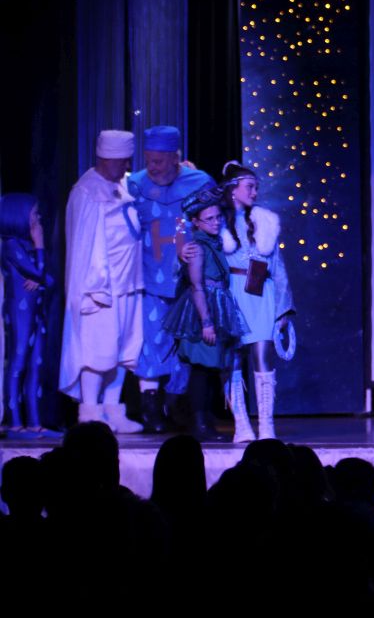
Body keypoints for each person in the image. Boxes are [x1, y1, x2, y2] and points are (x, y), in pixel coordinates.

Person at [126, 125, 215, 432]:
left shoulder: (199, 182)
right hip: (149, 276)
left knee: (188, 343)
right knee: (152, 340)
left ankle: (179, 405)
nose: (152, 167)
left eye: (159, 161)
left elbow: (213, 224)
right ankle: (150, 408)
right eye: (149, 159)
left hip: (189, 279)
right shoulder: (135, 184)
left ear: (175, 158)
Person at [59, 130, 144, 432]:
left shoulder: (120, 186)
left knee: (122, 350)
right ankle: (90, 411)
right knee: (97, 349)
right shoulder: (87, 191)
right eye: (122, 162)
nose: (126, 167)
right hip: (99, 288)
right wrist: (94, 286)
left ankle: (113, 409)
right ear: (106, 159)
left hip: (128, 282)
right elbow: (86, 245)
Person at [162, 186, 249, 440]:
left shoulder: (215, 243)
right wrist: (206, 322)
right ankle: (198, 423)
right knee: (201, 368)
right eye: (209, 219)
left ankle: (205, 420)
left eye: (217, 217)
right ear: (196, 222)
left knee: (211, 368)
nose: (215, 222)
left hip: (217, 305)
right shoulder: (198, 247)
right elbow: (197, 285)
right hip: (203, 310)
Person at [219, 161, 295, 442]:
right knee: (233, 358)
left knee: (263, 354)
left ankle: (266, 425)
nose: (254, 192)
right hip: (232, 293)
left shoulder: (264, 221)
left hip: (261, 293)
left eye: (256, 187)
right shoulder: (217, 222)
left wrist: (283, 308)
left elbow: (278, 267)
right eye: (249, 186)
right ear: (232, 189)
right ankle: (241, 424)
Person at [1, 193, 56, 436]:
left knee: (36, 364)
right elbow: (38, 272)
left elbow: (49, 279)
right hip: (20, 312)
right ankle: (14, 422)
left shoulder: (27, 246)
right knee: (18, 361)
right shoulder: (11, 245)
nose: (38, 219)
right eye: (34, 214)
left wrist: (40, 276)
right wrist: (40, 246)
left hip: (36, 312)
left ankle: (35, 422)